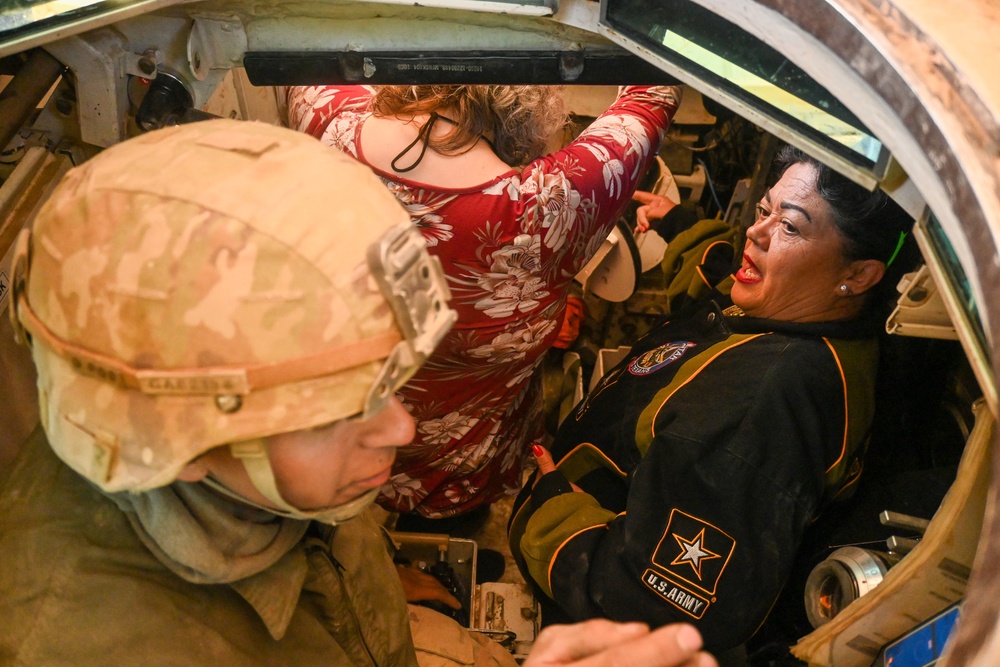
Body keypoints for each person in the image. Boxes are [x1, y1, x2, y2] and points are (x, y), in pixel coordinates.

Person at [0, 119, 717, 667]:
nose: (401, 429)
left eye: (388, 381)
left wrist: (374, 585)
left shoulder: (261, 475)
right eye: (342, 409)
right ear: (180, 437)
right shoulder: (83, 644)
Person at [508, 145, 915, 657]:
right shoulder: (809, 319)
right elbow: (721, 310)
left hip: (582, 604)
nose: (755, 232)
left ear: (858, 275)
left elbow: (656, 608)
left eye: (789, 227)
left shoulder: (756, 411)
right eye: (764, 211)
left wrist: (548, 509)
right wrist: (680, 223)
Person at [286, 84, 682, 523]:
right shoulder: (547, 207)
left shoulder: (324, 119)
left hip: (331, 444)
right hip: (458, 477)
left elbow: (299, 33)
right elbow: (651, 97)